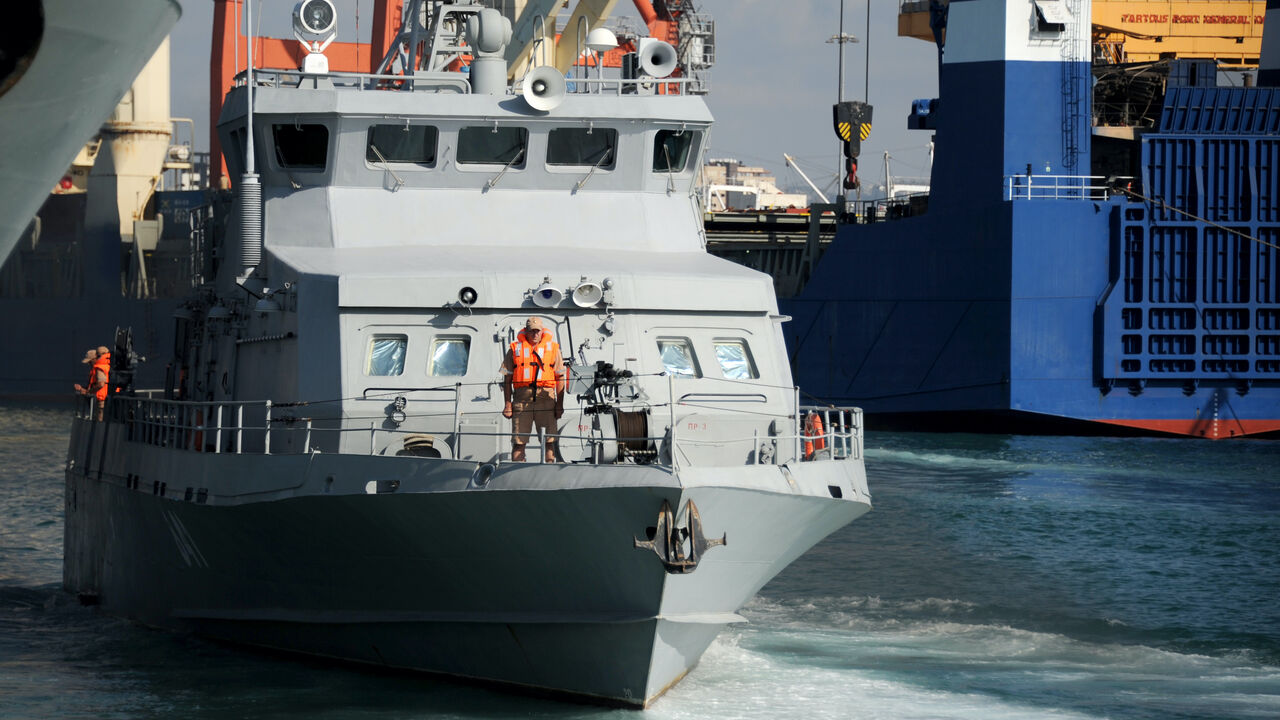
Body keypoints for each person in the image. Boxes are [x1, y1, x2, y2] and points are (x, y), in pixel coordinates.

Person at [501, 317, 566, 462]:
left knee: (549, 442)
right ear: (526, 331)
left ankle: (549, 470)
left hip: (546, 400)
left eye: (538, 331)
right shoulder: (514, 349)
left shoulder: (553, 349)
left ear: (542, 332)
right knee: (518, 442)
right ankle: (517, 471)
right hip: (522, 400)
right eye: (532, 331)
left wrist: (559, 405)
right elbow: (507, 379)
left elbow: (560, 378)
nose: (535, 334)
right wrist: (507, 404)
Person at [73, 346, 110, 420]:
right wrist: (82, 389)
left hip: (101, 402)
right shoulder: (109, 366)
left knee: (99, 422)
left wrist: (88, 392)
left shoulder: (100, 368)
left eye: (90, 362)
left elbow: (101, 384)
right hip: (106, 400)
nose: (89, 364)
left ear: (95, 359)